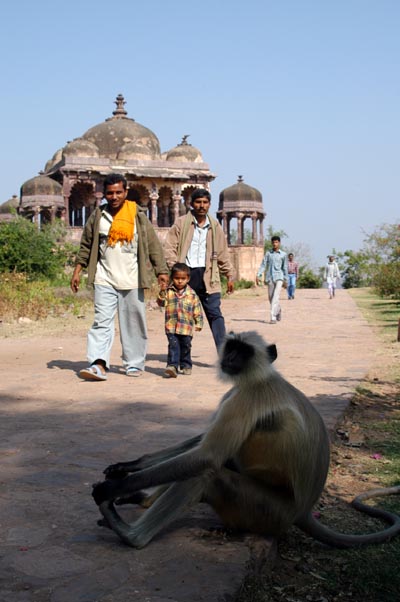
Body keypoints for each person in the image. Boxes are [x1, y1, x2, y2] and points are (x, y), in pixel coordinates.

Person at [70, 173, 169, 381]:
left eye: (118, 192)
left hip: (132, 279)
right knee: (101, 322)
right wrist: (78, 270)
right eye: (109, 193)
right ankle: (98, 363)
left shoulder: (137, 215)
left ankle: (133, 363)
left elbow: (153, 245)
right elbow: (86, 245)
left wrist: (161, 271)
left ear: (125, 192)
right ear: (104, 194)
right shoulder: (98, 216)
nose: (114, 197)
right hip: (104, 278)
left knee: (133, 322)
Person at [163, 188, 234, 350]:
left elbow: (223, 253)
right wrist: (176, 269)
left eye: (205, 202)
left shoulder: (215, 226)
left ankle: (224, 354)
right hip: (186, 276)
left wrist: (229, 275)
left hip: (209, 276)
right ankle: (181, 356)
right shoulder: (182, 223)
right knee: (182, 317)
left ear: (209, 204)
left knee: (215, 315)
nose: (202, 206)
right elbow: (169, 247)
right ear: (191, 204)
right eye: (198, 202)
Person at [157, 262, 203, 378]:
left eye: (183, 278)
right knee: (173, 345)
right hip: (171, 326)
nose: (180, 281)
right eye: (177, 278)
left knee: (186, 346)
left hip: (186, 328)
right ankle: (172, 366)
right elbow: (161, 303)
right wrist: (162, 291)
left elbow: (197, 309)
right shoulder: (169, 292)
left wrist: (199, 323)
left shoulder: (192, 294)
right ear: (173, 278)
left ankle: (186, 364)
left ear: (188, 279)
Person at [256, 236, 288, 324]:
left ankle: (273, 317)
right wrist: (258, 274)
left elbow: (285, 268)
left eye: (276, 242)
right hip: (270, 278)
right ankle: (278, 310)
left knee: (275, 297)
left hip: (279, 277)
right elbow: (263, 265)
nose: (275, 244)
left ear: (279, 243)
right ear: (271, 243)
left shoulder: (283, 255)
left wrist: (286, 280)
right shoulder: (268, 254)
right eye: (273, 242)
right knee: (270, 298)